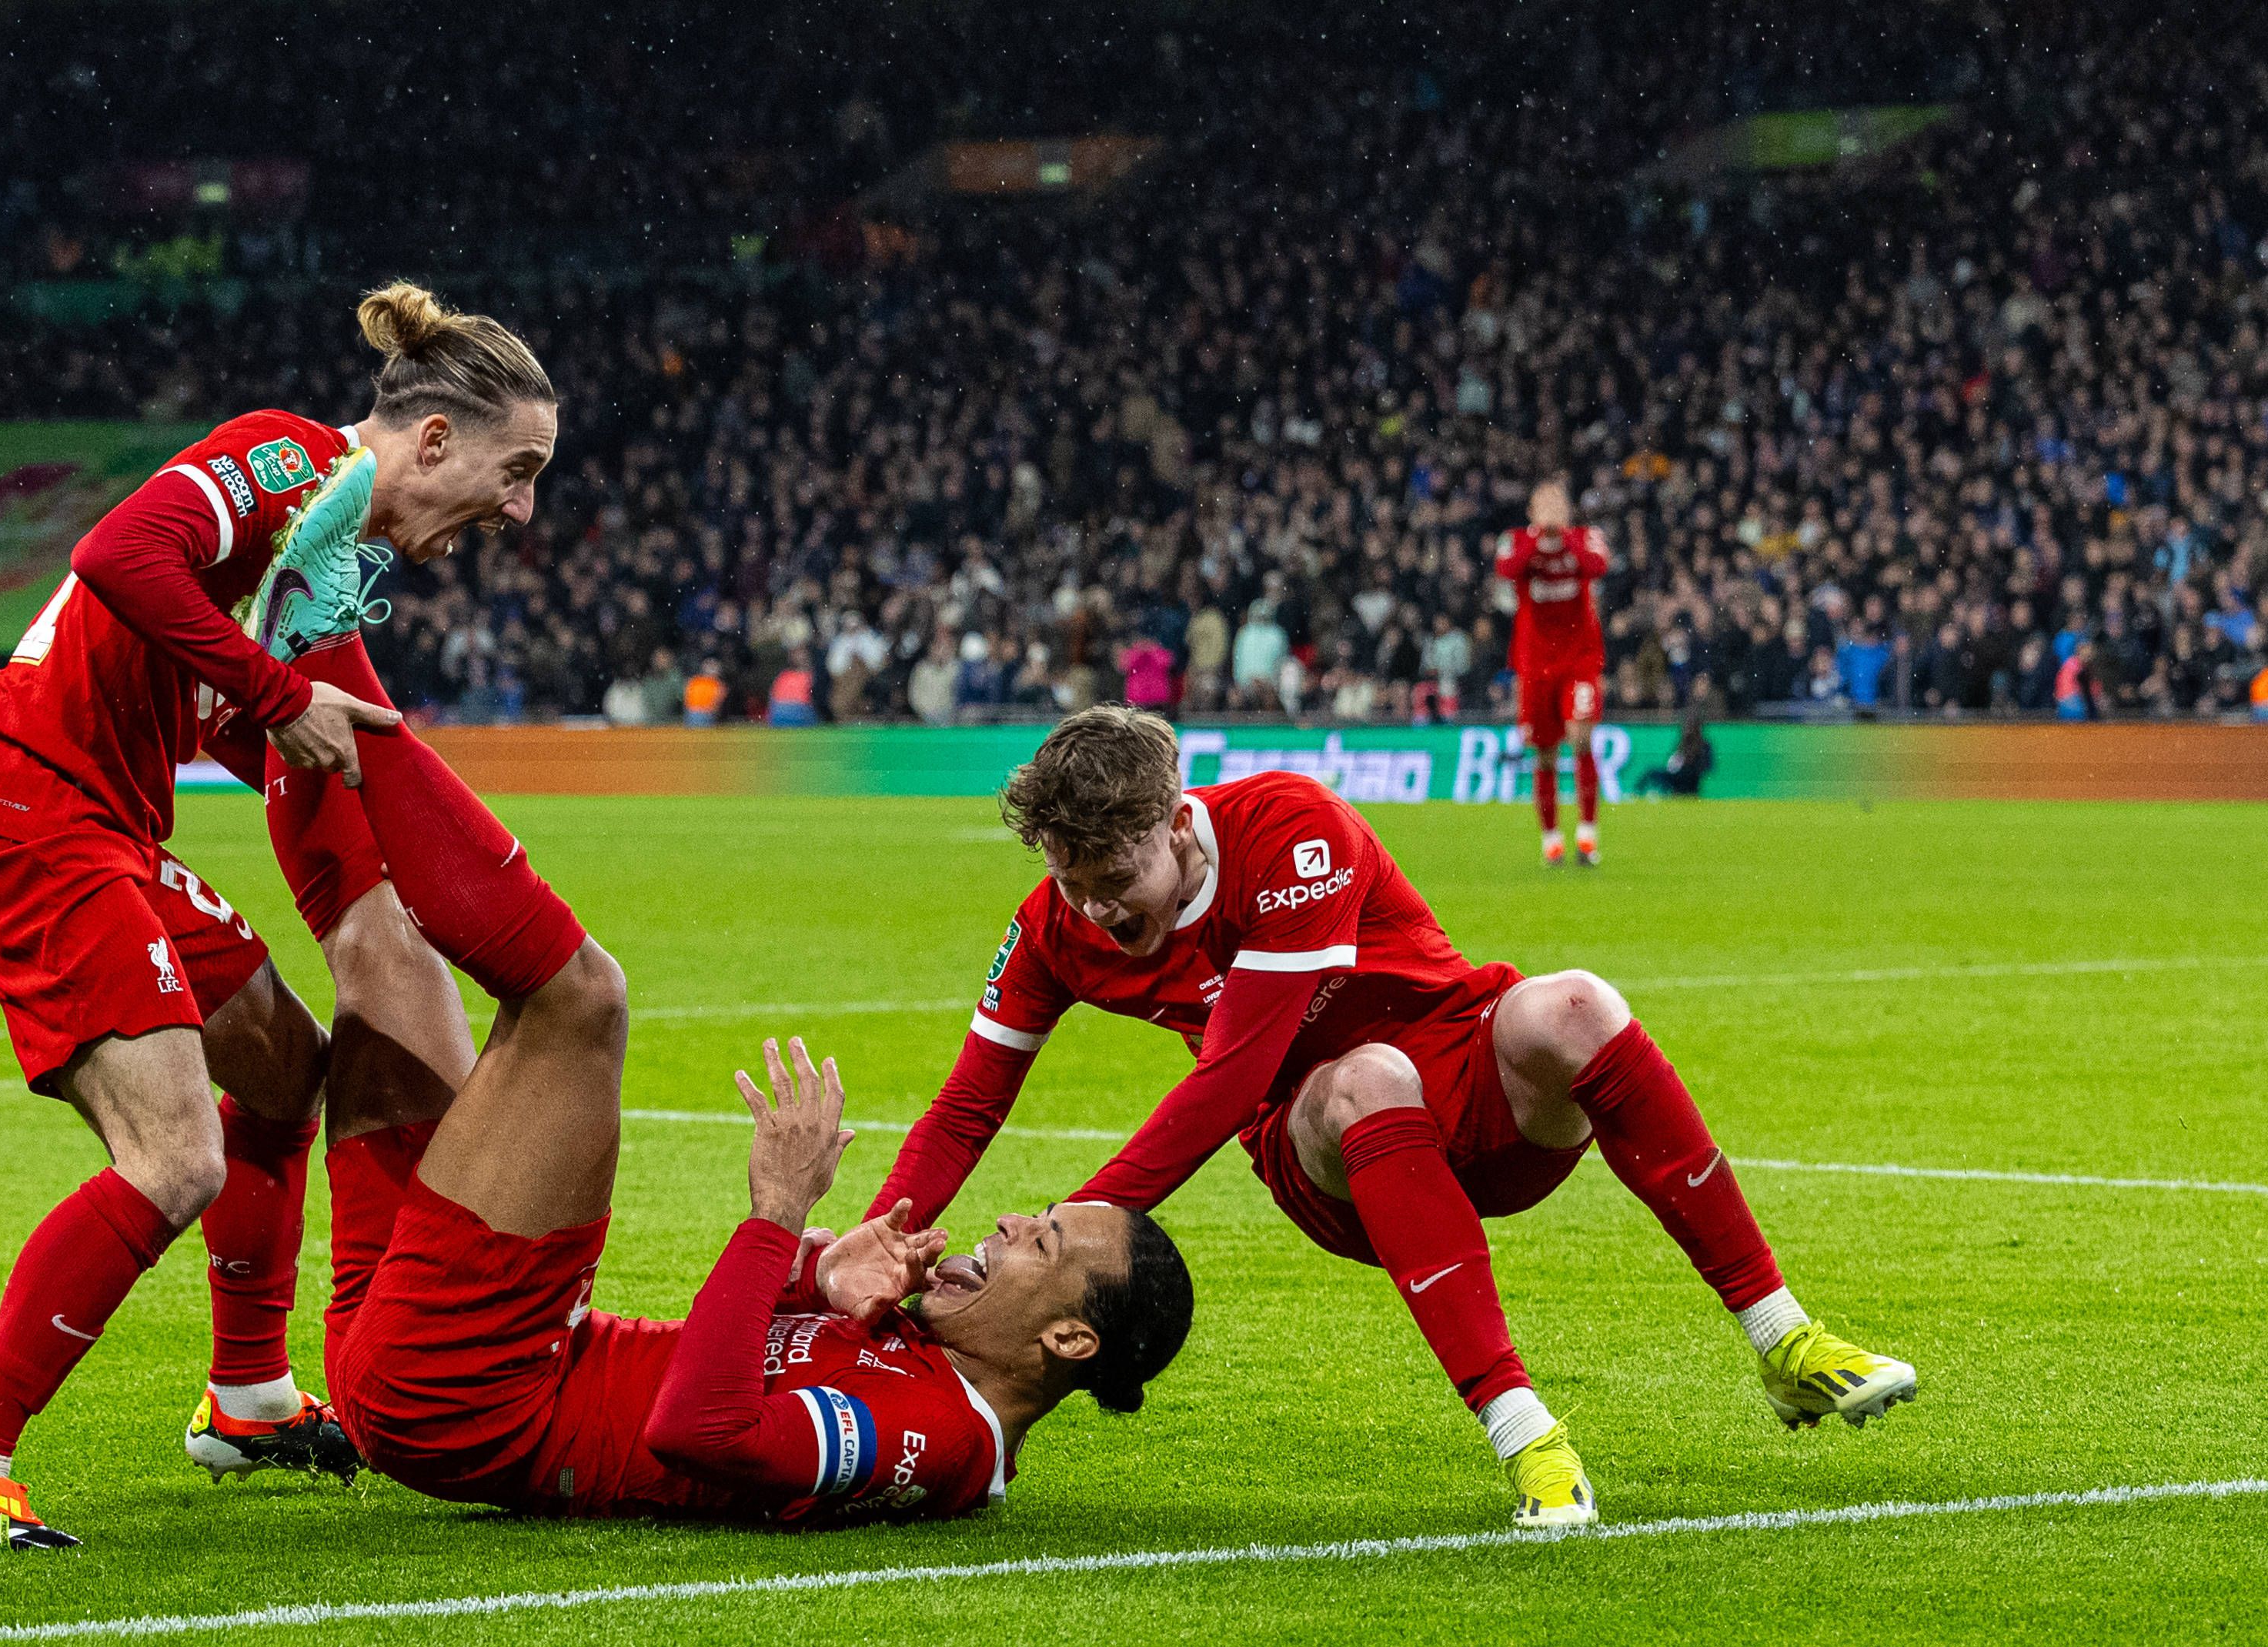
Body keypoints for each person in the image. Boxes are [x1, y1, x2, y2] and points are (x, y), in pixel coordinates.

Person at [246, 542, 1196, 1524]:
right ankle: (289, 661)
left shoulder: (941, 1437)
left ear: (1068, 1341)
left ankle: (311, 653)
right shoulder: (926, 1351)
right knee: (385, 950)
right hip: (430, 1366)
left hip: (476, 1389)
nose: (1006, 1224)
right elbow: (737, 1341)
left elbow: (699, 1428)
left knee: (580, 1001)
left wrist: (777, 1213)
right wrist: (815, 1273)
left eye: (1042, 1239)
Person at [873, 707, 1914, 1528]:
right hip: (1328, 1152)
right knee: (1366, 1076)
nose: (1097, 909)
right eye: (1072, 881)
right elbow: (967, 1105)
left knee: (1578, 1002)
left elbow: (1228, 1074)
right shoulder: (1051, 931)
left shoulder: (1288, 830)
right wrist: (879, 1240)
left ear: (1177, 821)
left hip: (1477, 1091)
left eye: (1114, 878)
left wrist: (1072, 1224)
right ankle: (1528, 1437)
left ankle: (1785, 1340)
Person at [0, 281, 523, 1550]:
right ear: (435, 439)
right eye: (517, 472)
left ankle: (248, 1399)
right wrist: (278, 701)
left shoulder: (317, 558)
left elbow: (251, 715)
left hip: (107, 828)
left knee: (286, 1071)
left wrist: (374, 858)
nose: (519, 509)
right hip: (29, 814)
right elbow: (117, 556)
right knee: (175, 1160)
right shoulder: (284, 458)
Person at [1495, 480, 1609, 867]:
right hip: (1535, 664)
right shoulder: (1515, 540)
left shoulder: (1586, 538)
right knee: (1544, 754)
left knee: (1581, 736)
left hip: (1580, 660)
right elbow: (1508, 569)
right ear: (1531, 511)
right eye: (1543, 503)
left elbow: (1597, 566)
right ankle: (1552, 841)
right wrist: (1538, 537)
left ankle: (1588, 838)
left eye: (1557, 502)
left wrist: (1563, 536)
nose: (1551, 509)